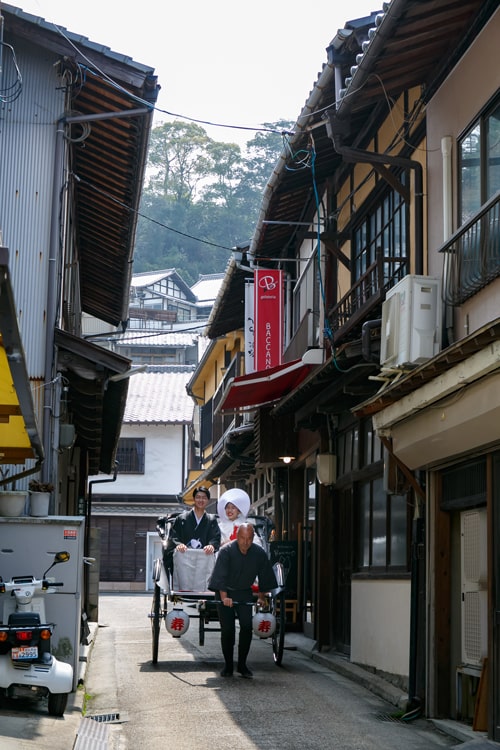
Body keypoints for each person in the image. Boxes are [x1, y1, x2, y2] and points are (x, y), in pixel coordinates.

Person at [208, 523, 277, 678]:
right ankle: (228, 665)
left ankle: (242, 664)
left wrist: (261, 597)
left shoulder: (258, 553)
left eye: (249, 539)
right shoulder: (226, 551)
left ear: (253, 538)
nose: (245, 542)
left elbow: (265, 576)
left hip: (244, 591)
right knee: (228, 630)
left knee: (246, 626)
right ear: (237, 537)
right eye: (242, 538)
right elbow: (220, 576)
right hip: (225, 592)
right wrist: (225, 598)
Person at [164, 487, 221, 576]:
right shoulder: (181, 519)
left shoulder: (211, 520)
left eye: (204, 497)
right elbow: (174, 537)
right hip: (184, 558)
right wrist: (179, 544)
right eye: (198, 497)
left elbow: (215, 537)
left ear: (208, 500)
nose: (201, 500)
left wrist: (211, 545)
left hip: (204, 560)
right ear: (194, 499)